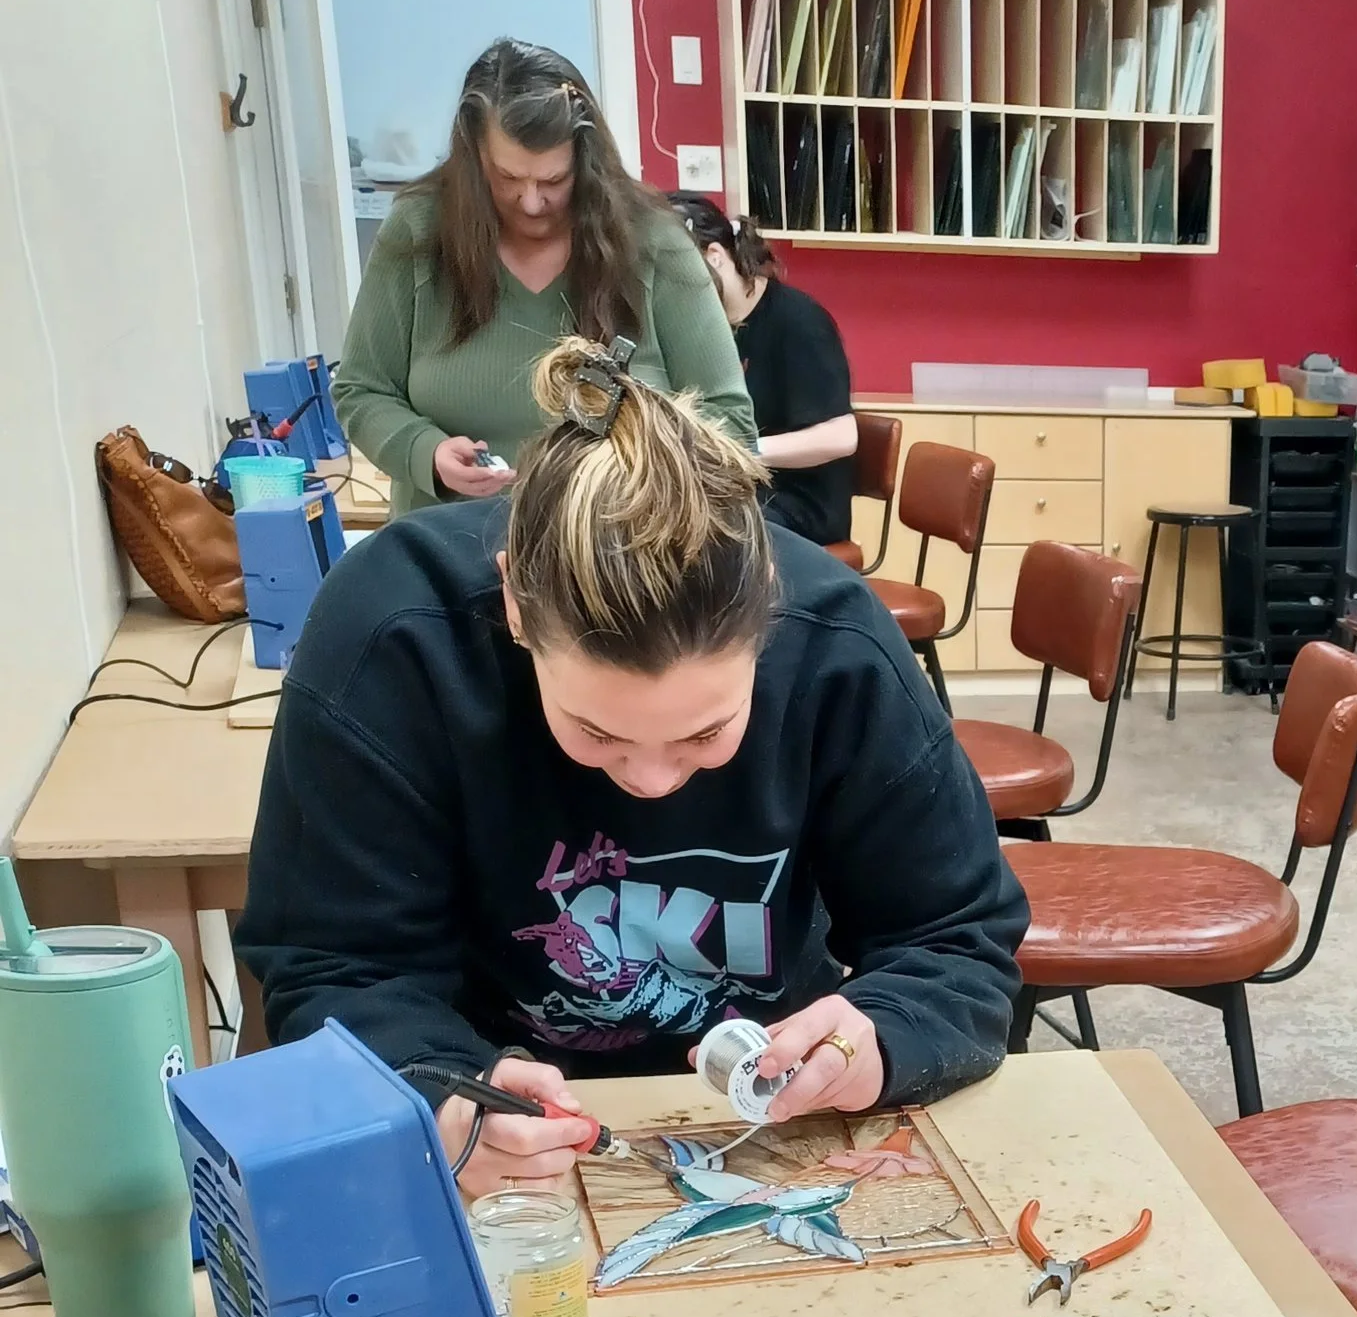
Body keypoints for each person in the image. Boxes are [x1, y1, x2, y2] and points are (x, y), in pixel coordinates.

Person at [239, 334, 1026, 1191]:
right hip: (493, 1135)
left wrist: (880, 1037)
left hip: (768, 1117)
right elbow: (333, 963)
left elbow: (958, 939)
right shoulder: (394, 638)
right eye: (597, 734)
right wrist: (437, 1092)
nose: (651, 781)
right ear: (514, 606)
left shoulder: (837, 647)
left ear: (769, 616)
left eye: (705, 735)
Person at [334, 38, 754, 519]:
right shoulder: (418, 228)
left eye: (554, 181)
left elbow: (730, 422)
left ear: (586, 162)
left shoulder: (654, 242)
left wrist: (635, 475)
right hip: (448, 545)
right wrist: (423, 451)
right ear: (474, 154)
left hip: (614, 550)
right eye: (507, 179)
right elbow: (360, 389)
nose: (532, 203)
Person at [673, 194, 858, 550]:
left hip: (799, 506)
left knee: (694, 531)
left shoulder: (800, 321)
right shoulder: (711, 329)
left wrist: (740, 449)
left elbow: (841, 437)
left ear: (714, 257)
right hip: (741, 490)